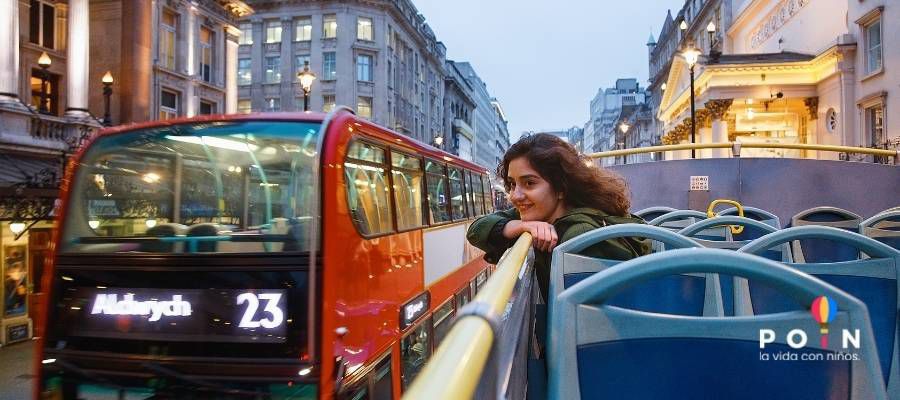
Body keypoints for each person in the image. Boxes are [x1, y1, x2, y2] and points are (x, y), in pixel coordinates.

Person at [467, 133, 651, 301]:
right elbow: (476, 230)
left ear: (561, 188)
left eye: (529, 183)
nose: (515, 195)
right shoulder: (543, 212)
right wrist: (518, 226)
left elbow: (603, 317)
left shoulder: (581, 237)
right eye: (513, 184)